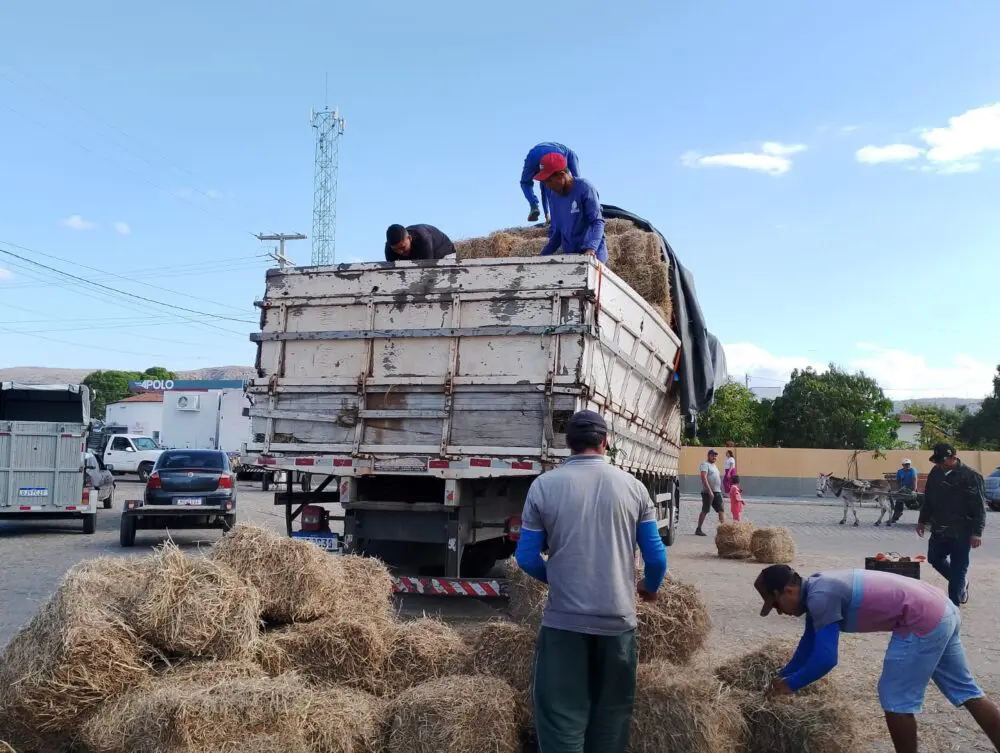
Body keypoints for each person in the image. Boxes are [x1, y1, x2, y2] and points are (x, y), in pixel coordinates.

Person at [515, 410, 667, 753]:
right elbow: (657, 559)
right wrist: (649, 588)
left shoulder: (543, 486)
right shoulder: (634, 488)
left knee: (561, 716)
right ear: (605, 442)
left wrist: (560, 579)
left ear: (568, 443)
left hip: (564, 625)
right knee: (611, 716)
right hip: (618, 624)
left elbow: (525, 557)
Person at [754, 564, 1000, 753]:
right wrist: (781, 676)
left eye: (776, 605)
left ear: (788, 591)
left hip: (921, 617)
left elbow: (826, 659)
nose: (780, 612)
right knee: (966, 690)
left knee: (895, 699)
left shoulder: (821, 597)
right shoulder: (818, 586)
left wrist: (790, 685)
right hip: (942, 608)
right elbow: (808, 646)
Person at [917, 443, 986, 607]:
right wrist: (922, 520)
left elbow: (979, 507)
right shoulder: (935, 473)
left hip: (962, 530)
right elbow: (929, 499)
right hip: (939, 527)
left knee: (958, 568)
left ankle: (954, 606)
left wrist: (977, 533)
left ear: (953, 457)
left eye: (942, 461)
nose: (939, 464)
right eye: (937, 461)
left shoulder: (971, 476)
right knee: (934, 558)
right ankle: (961, 583)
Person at [534, 153, 608, 264]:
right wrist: (541, 256)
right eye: (544, 182)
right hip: (571, 257)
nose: (547, 186)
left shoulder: (585, 188)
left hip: (593, 255)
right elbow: (558, 233)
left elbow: (597, 222)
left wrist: (591, 249)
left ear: (561, 175)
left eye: (549, 180)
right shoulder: (554, 197)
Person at [521, 142, 580, 223]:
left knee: (525, 183)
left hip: (536, 155)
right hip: (542, 155)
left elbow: (544, 191)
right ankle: (555, 215)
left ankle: (535, 206)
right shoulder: (540, 165)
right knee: (575, 183)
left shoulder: (564, 156)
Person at [384, 223, 455, 262]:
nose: (400, 252)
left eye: (403, 247)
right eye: (396, 249)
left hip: (444, 251)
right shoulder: (389, 248)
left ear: (409, 238)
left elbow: (428, 267)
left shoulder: (423, 239)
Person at [695, 448, 725, 536]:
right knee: (705, 510)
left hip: (717, 492)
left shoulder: (714, 466)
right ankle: (698, 529)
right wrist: (709, 491)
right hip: (707, 492)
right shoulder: (705, 464)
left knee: (721, 509)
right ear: (708, 456)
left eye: (715, 455)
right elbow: (703, 477)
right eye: (712, 455)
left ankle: (723, 531)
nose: (714, 457)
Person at [890, 458, 918, 524]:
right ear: (903, 465)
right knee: (899, 500)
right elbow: (898, 481)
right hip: (903, 489)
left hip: (910, 489)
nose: (908, 465)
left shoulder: (912, 470)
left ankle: (897, 515)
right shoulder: (900, 471)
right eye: (906, 464)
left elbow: (914, 479)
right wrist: (898, 490)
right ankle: (897, 515)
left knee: (902, 499)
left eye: (908, 464)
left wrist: (914, 489)